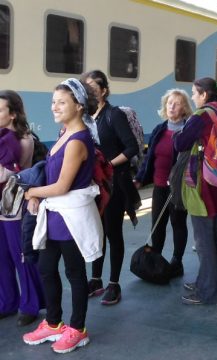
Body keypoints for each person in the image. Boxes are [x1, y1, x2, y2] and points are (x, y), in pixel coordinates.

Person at [23, 78, 103, 353]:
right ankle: (54, 323)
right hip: (57, 214)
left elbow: (61, 186)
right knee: (46, 268)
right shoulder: (64, 133)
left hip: (72, 218)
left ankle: (77, 329)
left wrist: (32, 192)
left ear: (78, 106)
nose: (54, 107)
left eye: (61, 102)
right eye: (53, 102)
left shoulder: (77, 140)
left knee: (75, 273)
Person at [81, 70, 141, 305]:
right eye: (85, 89)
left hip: (114, 183)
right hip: (92, 185)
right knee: (96, 232)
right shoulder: (84, 117)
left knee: (113, 232)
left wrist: (107, 164)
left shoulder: (113, 115)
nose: (89, 93)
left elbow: (131, 147)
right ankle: (96, 279)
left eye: (93, 88)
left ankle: (114, 283)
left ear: (104, 90)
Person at [173, 77, 217, 305]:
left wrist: (180, 134)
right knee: (209, 236)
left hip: (201, 182)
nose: (193, 97)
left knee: (204, 240)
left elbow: (180, 144)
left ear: (204, 95)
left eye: (194, 93)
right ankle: (204, 281)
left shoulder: (202, 115)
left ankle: (208, 291)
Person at [134, 89, 193, 277]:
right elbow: (149, 157)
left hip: (178, 187)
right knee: (157, 225)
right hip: (159, 185)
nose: (172, 106)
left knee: (178, 223)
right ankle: (156, 261)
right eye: (169, 103)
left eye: (177, 103)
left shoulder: (187, 131)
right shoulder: (160, 129)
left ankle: (177, 261)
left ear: (184, 108)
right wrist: (140, 178)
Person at [0, 90, 45, 327]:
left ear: (13, 114)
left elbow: (7, 173)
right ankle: (6, 301)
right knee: (1, 257)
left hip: (15, 206)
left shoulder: (22, 139)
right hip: (2, 206)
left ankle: (30, 304)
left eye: (0, 110)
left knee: (22, 257)